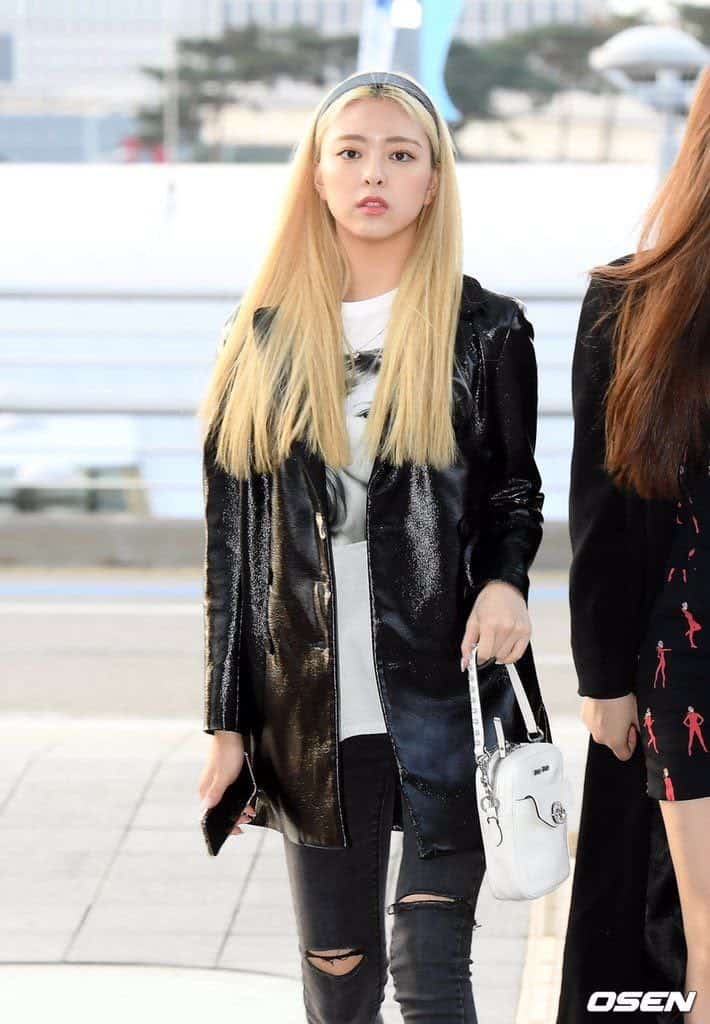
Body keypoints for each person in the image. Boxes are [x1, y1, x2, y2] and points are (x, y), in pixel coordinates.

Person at [197, 69, 550, 1024]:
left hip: (446, 692)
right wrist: (227, 727)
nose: (373, 174)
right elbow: (232, 559)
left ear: (433, 182)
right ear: (316, 175)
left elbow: (513, 491)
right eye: (350, 153)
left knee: (430, 974)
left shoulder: (487, 331)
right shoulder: (258, 340)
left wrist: (506, 582)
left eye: (401, 155)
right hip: (311, 706)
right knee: (340, 976)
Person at [556, 67, 710, 1024]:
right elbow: (603, 504)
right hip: (687, 670)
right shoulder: (635, 298)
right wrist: (604, 677)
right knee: (695, 955)